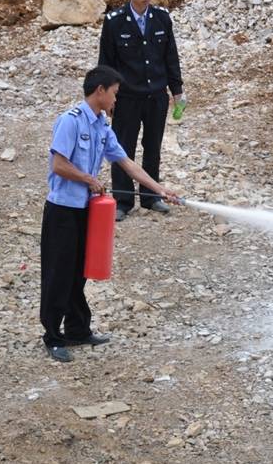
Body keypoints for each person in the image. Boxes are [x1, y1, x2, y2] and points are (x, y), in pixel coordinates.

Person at [40, 65, 180, 363]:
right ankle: (52, 336)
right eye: (115, 93)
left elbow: (127, 163)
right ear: (100, 91)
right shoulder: (70, 121)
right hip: (63, 210)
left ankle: (78, 329)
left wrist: (160, 189)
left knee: (80, 271)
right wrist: (88, 179)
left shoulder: (102, 126)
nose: (117, 99)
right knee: (58, 273)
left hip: (85, 210)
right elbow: (59, 165)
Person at [98, 0, 184, 222]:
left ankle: (151, 196)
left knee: (153, 146)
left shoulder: (161, 18)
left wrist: (177, 91)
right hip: (127, 98)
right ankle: (123, 200)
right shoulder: (114, 22)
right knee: (123, 148)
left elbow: (171, 57)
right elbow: (106, 63)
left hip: (156, 95)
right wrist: (106, 100)